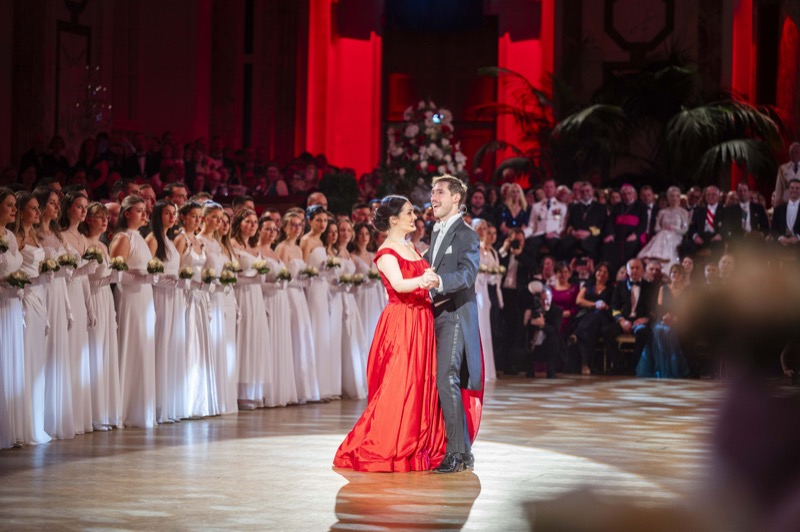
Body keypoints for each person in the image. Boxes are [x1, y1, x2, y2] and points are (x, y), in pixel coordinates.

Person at [333, 195, 474, 473]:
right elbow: (398, 284)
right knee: (402, 383)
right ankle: (392, 443)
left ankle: (422, 441)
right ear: (393, 219)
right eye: (409, 213)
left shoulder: (410, 247)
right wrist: (423, 280)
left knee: (422, 382)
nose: (414, 218)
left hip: (422, 319)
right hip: (403, 321)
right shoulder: (387, 252)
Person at [425, 175, 483, 474]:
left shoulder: (467, 235)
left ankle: (456, 453)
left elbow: (467, 275)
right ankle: (463, 453)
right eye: (432, 192)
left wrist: (438, 281)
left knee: (447, 378)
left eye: (439, 192)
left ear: (456, 198)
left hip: (456, 313)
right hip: (438, 313)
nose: (433, 198)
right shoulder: (436, 231)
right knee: (447, 381)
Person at [636, 264, 690, 378]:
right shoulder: (663, 288)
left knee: (670, 332)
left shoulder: (686, 291)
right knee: (660, 330)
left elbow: (686, 309)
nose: (675, 275)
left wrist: (675, 318)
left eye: (679, 273)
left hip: (679, 319)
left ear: (682, 276)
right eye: (673, 272)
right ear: (670, 274)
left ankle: (673, 367)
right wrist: (666, 317)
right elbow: (659, 307)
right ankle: (661, 367)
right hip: (663, 318)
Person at [637, 186, 689, 267]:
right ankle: (655, 259)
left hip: (676, 236)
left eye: (677, 196)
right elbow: (656, 227)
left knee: (667, 236)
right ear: (668, 198)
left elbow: (685, 229)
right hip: (662, 235)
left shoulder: (683, 212)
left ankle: (666, 261)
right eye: (672, 196)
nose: (674, 198)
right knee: (664, 234)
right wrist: (664, 230)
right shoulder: (662, 212)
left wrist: (674, 230)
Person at [774, 142, 800, 206]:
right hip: (786, 201)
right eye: (792, 152)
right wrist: (777, 202)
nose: (794, 154)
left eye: (796, 152)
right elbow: (779, 188)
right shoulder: (783, 168)